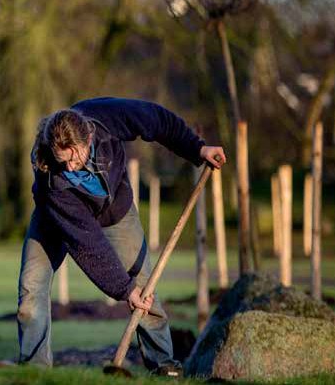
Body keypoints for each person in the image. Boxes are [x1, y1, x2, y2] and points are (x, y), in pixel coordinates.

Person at [17, 97, 226, 376]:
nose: (68, 167)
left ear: (88, 138)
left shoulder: (104, 117)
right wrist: (122, 289)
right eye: (62, 161)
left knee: (143, 284)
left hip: (115, 211)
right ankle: (35, 372)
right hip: (54, 219)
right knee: (31, 289)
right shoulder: (51, 178)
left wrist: (197, 148)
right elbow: (88, 244)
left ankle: (163, 364)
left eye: (74, 158)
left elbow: (156, 120)